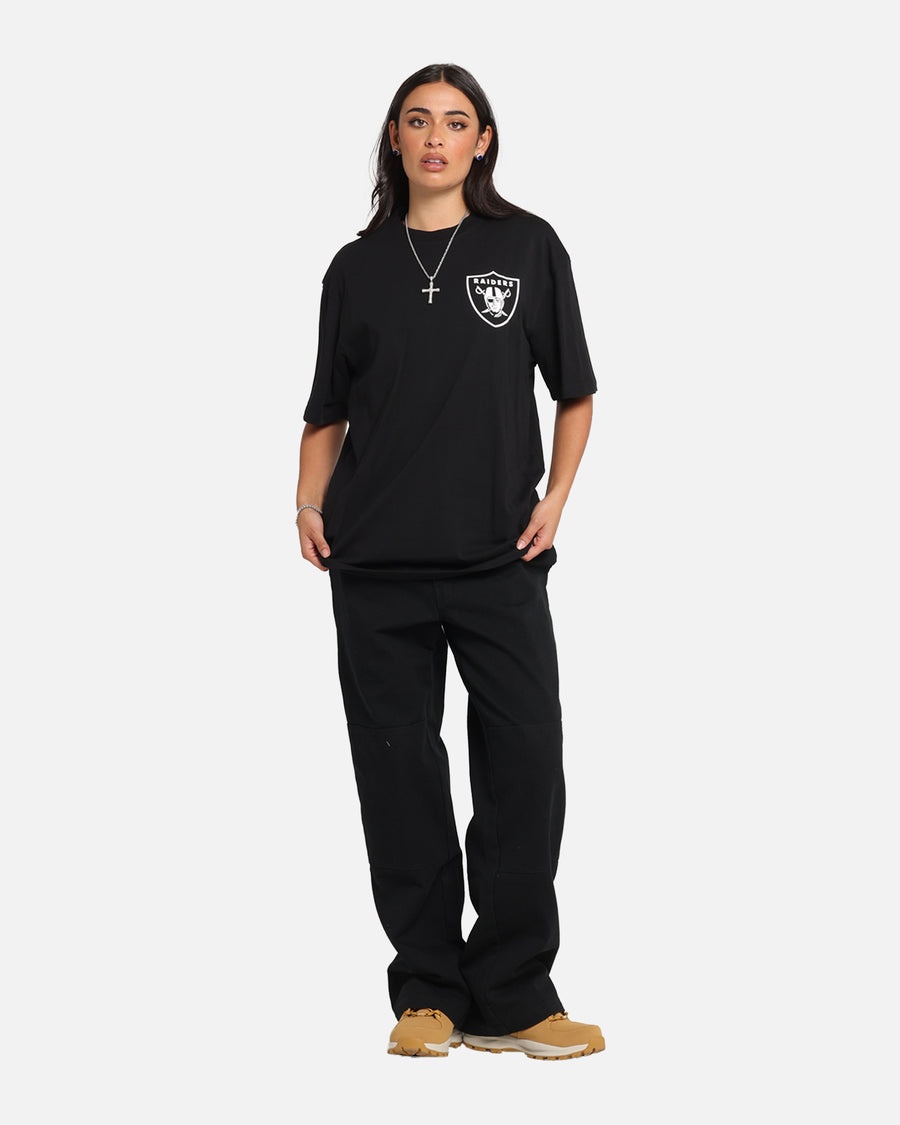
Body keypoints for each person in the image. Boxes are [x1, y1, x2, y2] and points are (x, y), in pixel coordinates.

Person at [295, 63, 605, 1061]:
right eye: (419, 120)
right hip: (374, 563)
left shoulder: (527, 247)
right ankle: (427, 991)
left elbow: (575, 391)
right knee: (399, 773)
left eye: (456, 121)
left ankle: (514, 995)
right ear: (395, 138)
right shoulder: (355, 268)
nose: (436, 137)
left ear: (483, 141)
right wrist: (307, 503)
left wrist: (556, 498)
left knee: (524, 764)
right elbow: (326, 411)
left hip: (498, 558)